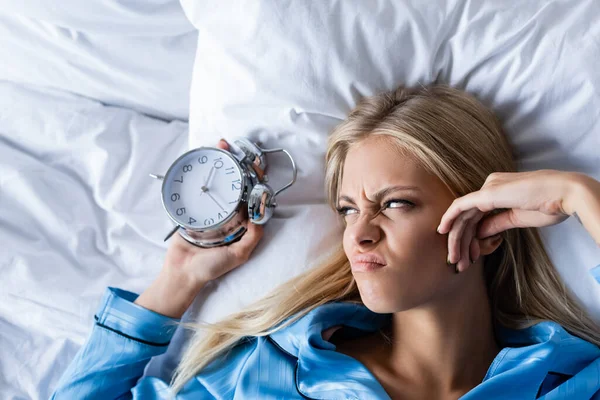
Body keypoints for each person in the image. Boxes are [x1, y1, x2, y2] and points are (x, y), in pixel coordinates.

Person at [51, 85, 600, 399]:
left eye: (395, 204)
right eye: (346, 209)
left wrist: (581, 198)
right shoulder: (275, 375)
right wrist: (179, 279)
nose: (358, 233)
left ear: (483, 222)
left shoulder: (565, 382)